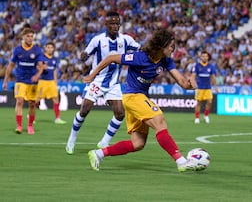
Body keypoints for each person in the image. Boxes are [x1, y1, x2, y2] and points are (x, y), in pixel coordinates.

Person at [84, 28, 199, 172]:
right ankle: (181, 161)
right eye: (171, 47)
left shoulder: (166, 61)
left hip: (139, 99)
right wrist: (92, 76)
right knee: (159, 120)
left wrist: (191, 84)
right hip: (132, 96)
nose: (173, 50)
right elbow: (111, 58)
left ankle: (98, 154)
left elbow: (182, 82)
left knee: (137, 143)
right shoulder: (140, 57)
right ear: (161, 46)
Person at [65, 11, 140, 154]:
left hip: (113, 83)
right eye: (112, 23)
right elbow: (86, 53)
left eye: (117, 23)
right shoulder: (98, 40)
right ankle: (72, 138)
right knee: (85, 109)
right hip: (97, 80)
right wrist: (83, 55)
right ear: (105, 24)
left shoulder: (126, 40)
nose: (115, 26)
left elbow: (140, 48)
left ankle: (104, 141)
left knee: (120, 113)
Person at [2, 28, 47, 135]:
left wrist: (37, 75)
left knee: (32, 104)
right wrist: (6, 80)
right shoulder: (17, 50)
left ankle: (30, 126)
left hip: (32, 82)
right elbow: (11, 65)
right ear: (23, 37)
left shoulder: (37, 50)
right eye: (28, 36)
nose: (30, 38)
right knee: (20, 101)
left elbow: (41, 66)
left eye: (32, 36)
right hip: (20, 80)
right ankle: (19, 126)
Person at [36, 41, 66, 124]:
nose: (50, 49)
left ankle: (57, 118)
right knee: (37, 100)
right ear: (45, 48)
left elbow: (55, 70)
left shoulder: (54, 59)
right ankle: (32, 116)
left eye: (51, 47)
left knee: (56, 99)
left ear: (53, 49)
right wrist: (41, 68)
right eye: (48, 47)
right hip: (42, 81)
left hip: (51, 81)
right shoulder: (41, 57)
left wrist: (55, 80)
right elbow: (37, 67)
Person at [191, 51, 218, 124]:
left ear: (208, 57)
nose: (204, 57)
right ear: (201, 57)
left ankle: (206, 115)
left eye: (206, 56)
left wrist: (215, 86)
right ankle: (197, 117)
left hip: (208, 87)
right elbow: (193, 76)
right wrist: (193, 84)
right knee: (199, 102)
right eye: (203, 56)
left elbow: (213, 77)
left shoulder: (210, 66)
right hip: (199, 87)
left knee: (209, 101)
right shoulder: (197, 66)